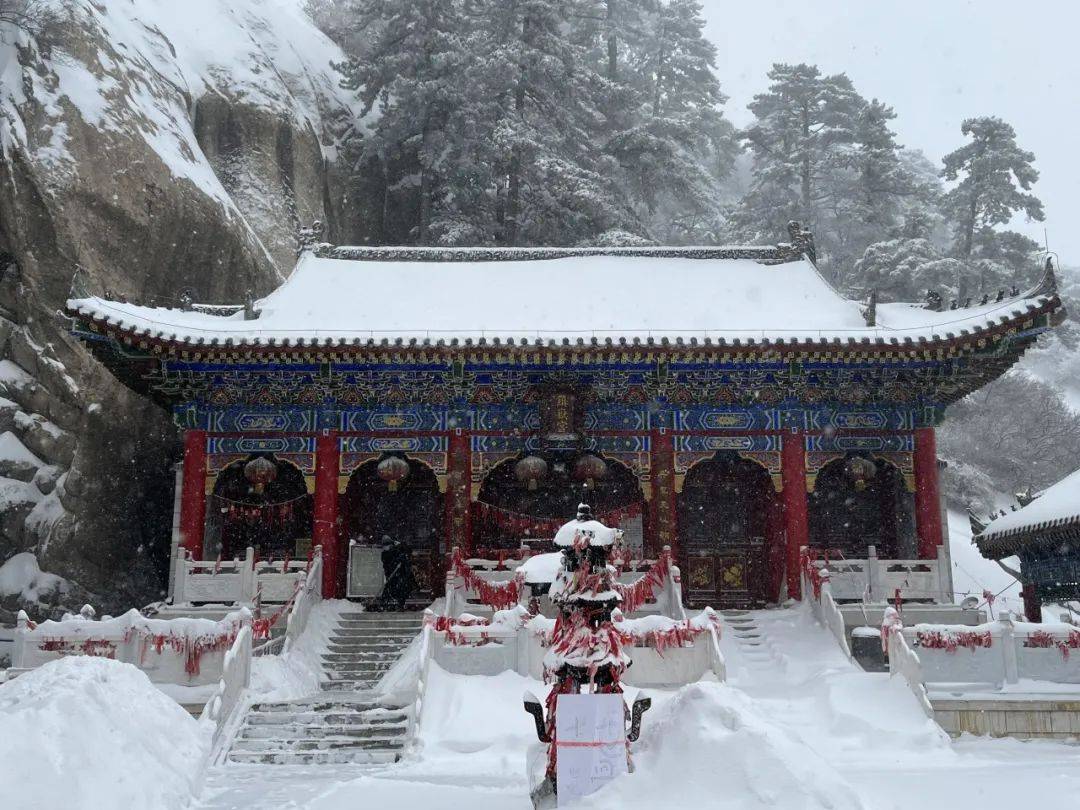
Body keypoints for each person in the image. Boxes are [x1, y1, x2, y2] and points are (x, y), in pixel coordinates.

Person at [380, 535, 416, 611]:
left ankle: (400, 605)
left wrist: (401, 546)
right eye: (385, 546)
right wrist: (397, 561)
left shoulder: (398, 549)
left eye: (388, 545)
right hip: (391, 574)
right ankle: (383, 605)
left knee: (401, 589)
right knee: (389, 589)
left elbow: (408, 551)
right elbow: (387, 563)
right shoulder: (384, 554)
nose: (386, 547)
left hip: (400, 574)